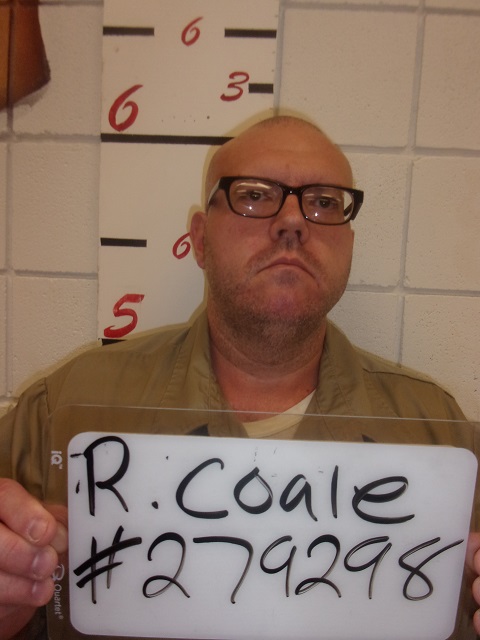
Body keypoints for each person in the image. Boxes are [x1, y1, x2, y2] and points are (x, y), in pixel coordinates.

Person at [0, 115, 479, 639]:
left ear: (349, 243)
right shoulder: (60, 414)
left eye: (324, 202)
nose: (293, 221)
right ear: (200, 240)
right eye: (253, 195)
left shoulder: (439, 435)